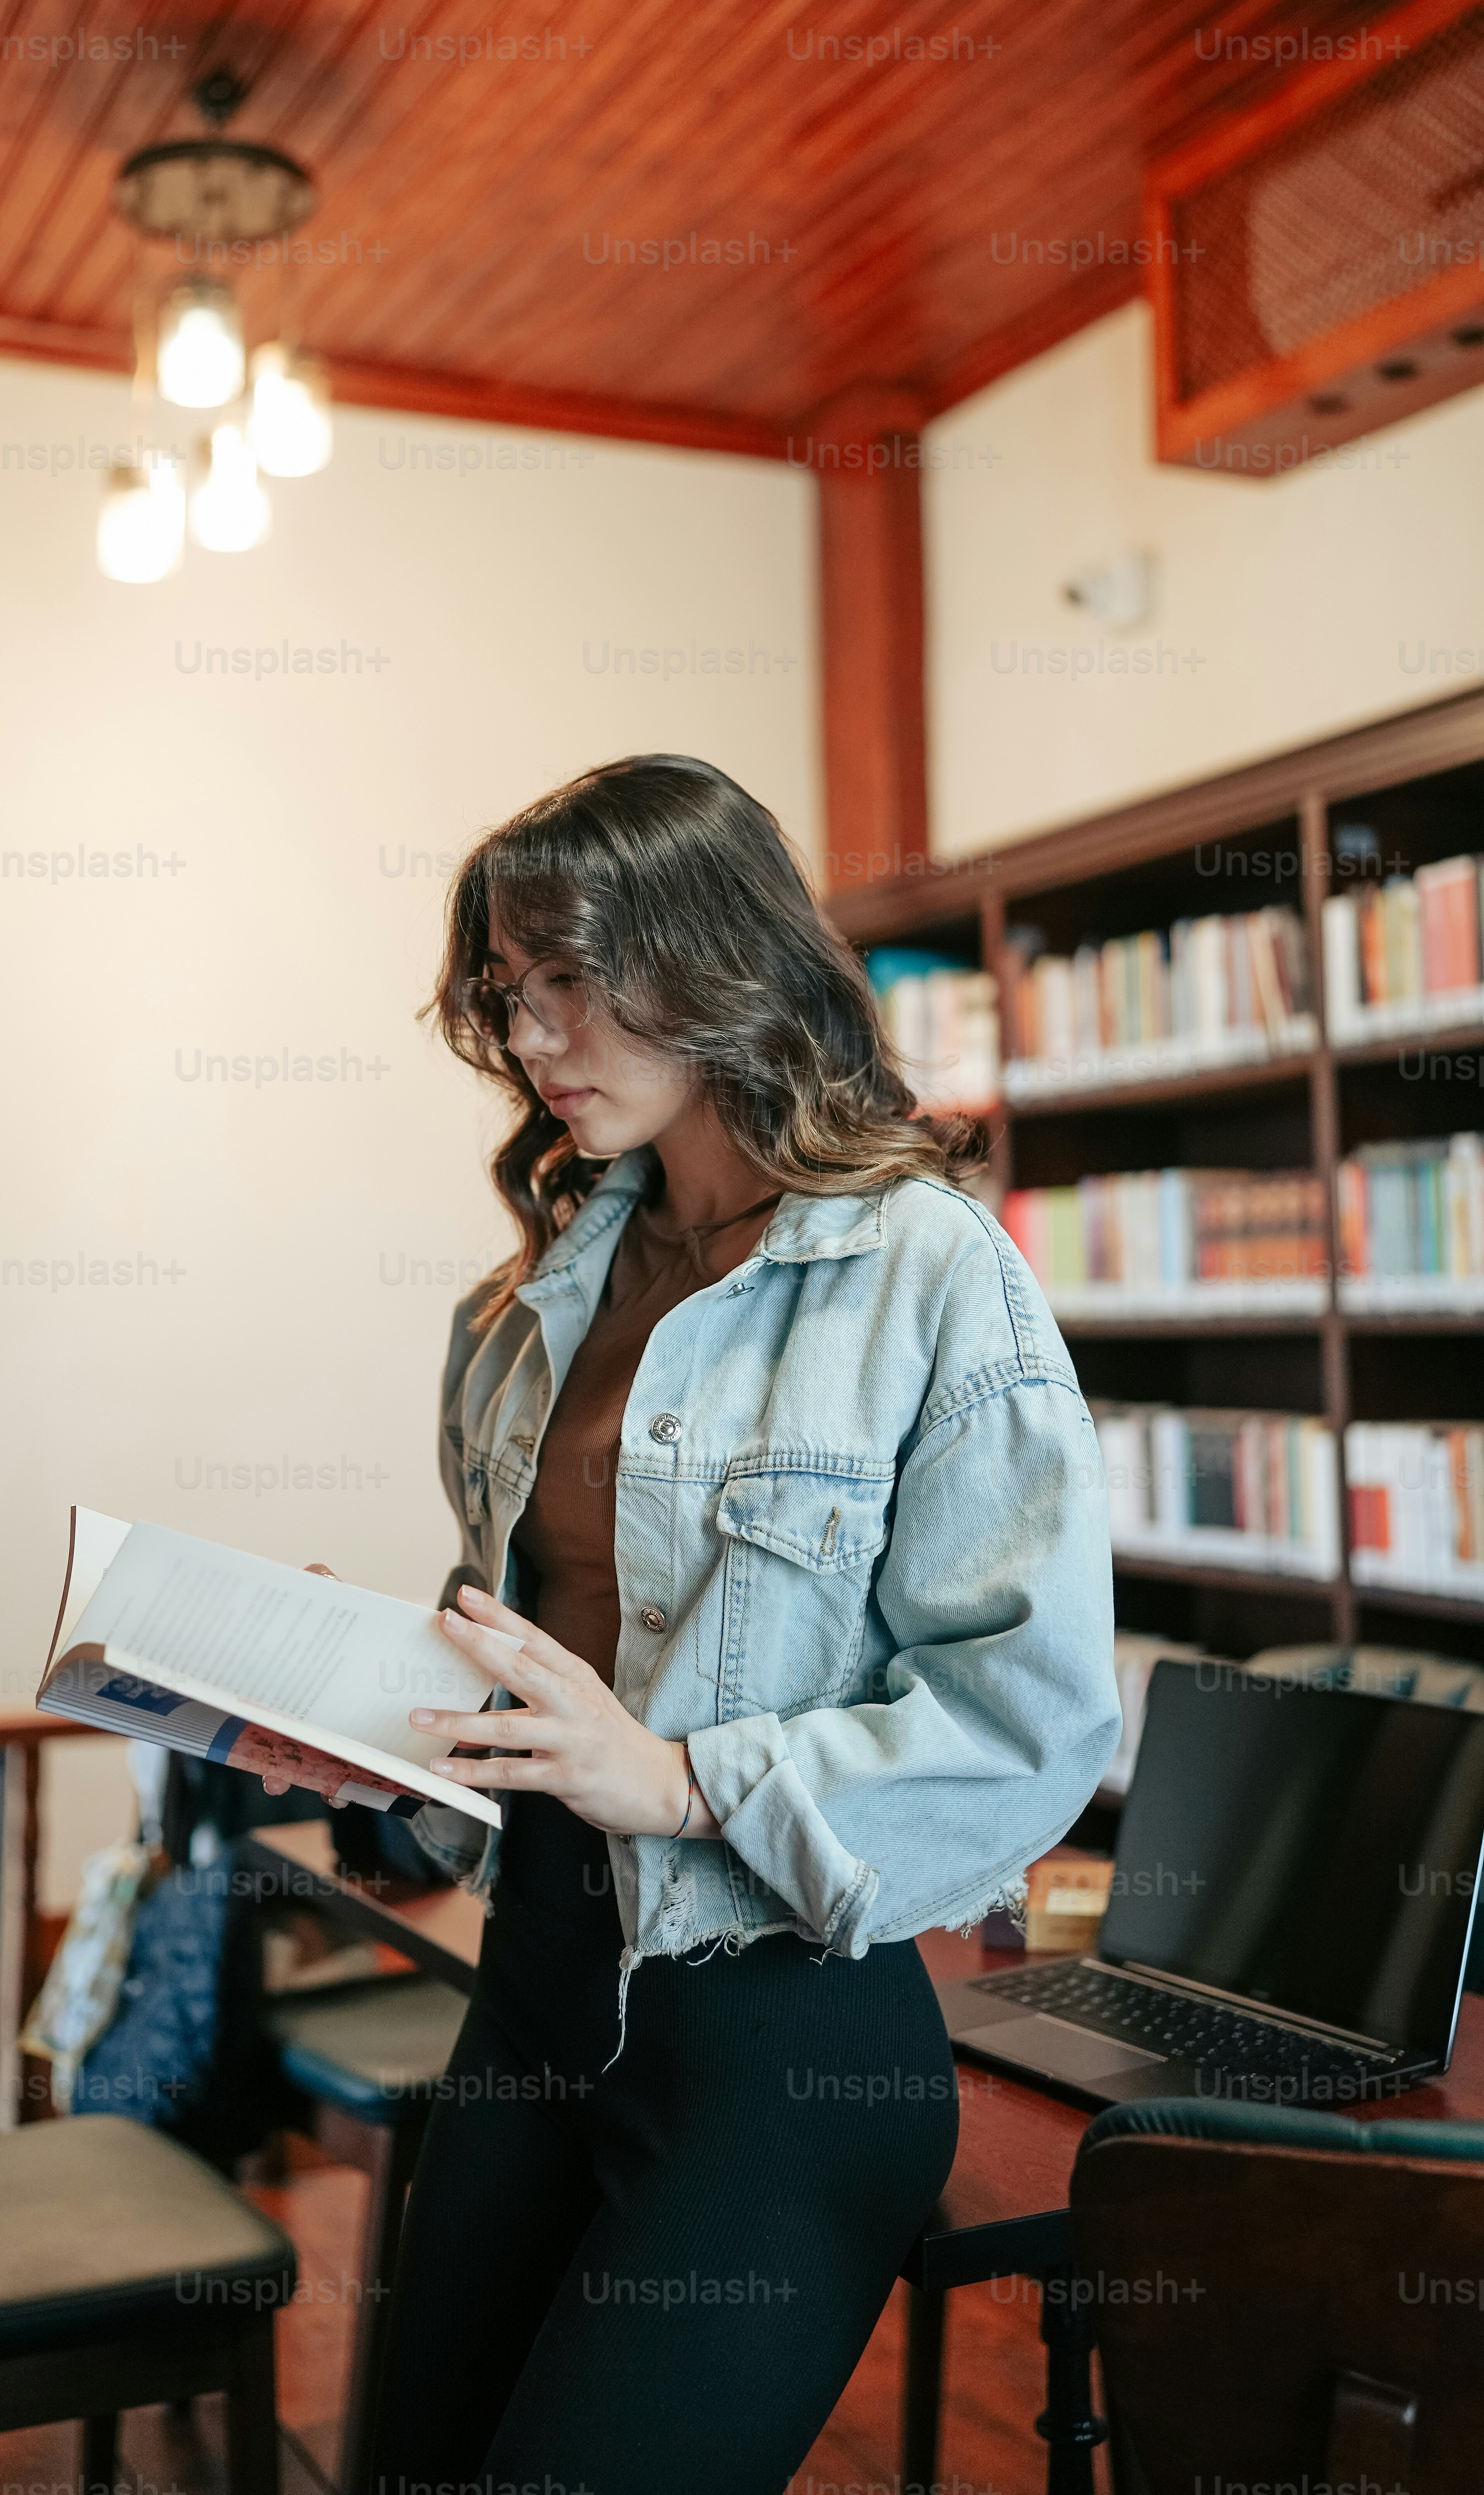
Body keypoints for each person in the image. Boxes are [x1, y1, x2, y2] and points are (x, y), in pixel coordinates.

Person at [286, 754, 1118, 2493]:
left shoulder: (928, 1275)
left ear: (715, 956)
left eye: (572, 982)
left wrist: (675, 1782)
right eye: (510, 996)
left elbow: (1028, 1726)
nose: (533, 1037)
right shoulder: (525, 1300)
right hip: (533, 1996)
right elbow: (531, 1708)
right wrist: (364, 1732)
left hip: (780, 2051)